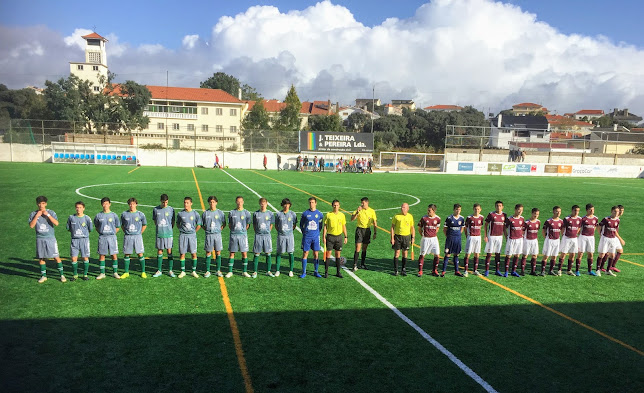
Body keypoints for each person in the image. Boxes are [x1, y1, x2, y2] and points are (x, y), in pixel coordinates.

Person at [29, 196, 65, 283]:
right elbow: (31, 225)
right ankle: (43, 276)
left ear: (46, 204)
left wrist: (47, 215)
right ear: (37, 204)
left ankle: (62, 275)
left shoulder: (51, 212)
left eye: (43, 203)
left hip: (50, 238)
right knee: (41, 258)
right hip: (40, 238)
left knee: (56, 257)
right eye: (39, 203)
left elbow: (56, 223)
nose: (41, 205)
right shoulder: (33, 214)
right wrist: (37, 216)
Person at [120, 198, 147, 279]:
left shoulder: (140, 214)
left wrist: (140, 233)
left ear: (136, 204)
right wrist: (126, 232)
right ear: (129, 205)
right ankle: (126, 272)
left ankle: (143, 272)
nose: (132, 206)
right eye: (130, 204)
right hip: (128, 236)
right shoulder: (124, 214)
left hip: (137, 236)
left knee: (140, 254)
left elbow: (144, 225)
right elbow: (122, 225)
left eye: (133, 204)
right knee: (127, 254)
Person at [94, 197, 121, 279]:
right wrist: (102, 233)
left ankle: (115, 272)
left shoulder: (114, 215)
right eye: (104, 203)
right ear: (102, 204)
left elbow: (118, 226)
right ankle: (102, 273)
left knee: (114, 255)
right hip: (102, 237)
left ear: (110, 204)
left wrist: (112, 233)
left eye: (107, 203)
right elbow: (96, 226)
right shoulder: (98, 215)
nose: (105, 205)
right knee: (102, 255)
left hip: (112, 237)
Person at [66, 201, 93, 281]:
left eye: (80, 207)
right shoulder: (71, 217)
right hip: (74, 241)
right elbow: (68, 228)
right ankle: (75, 275)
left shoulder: (87, 218)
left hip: (84, 240)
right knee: (74, 258)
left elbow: (90, 229)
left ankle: (85, 274)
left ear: (83, 208)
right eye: (77, 207)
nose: (78, 209)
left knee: (85, 257)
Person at [176, 196, 202, 278]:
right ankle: (182, 271)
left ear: (191, 203)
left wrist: (194, 231)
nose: (185, 204)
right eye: (184, 202)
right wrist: (181, 230)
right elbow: (177, 223)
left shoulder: (195, 213)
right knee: (182, 254)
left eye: (187, 203)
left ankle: (193, 271)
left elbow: (199, 224)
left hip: (192, 236)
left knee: (193, 253)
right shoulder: (180, 214)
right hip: (183, 236)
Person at [226, 196, 251, 278]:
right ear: (236, 202)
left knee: (244, 253)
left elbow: (248, 225)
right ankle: (230, 271)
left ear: (243, 202)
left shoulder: (247, 213)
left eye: (241, 202)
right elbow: (230, 225)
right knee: (232, 253)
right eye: (238, 202)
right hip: (234, 236)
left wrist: (242, 231)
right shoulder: (232, 212)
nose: (239, 203)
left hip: (243, 236)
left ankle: (244, 271)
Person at [350, 197, 377, 271]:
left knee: (364, 248)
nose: (362, 204)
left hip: (367, 230)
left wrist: (375, 232)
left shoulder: (372, 211)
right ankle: (354, 265)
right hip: (359, 230)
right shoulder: (358, 210)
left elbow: (375, 222)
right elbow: (352, 219)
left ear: (367, 202)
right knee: (358, 247)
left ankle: (362, 264)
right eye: (361, 203)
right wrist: (357, 212)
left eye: (363, 203)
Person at [152, 194, 175, 278]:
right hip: (159, 234)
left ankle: (170, 270)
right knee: (160, 251)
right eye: (163, 202)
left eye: (166, 202)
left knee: (169, 251)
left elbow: (173, 222)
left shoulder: (171, 209)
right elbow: (155, 221)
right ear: (160, 201)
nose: (164, 204)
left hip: (168, 234)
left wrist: (168, 229)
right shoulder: (155, 209)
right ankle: (159, 270)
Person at [202, 195, 226, 277]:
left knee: (218, 252)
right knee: (208, 252)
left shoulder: (220, 213)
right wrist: (207, 230)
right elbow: (202, 224)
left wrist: (219, 229)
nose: (212, 204)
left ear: (216, 203)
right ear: (209, 203)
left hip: (217, 235)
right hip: (209, 235)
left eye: (213, 202)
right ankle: (207, 271)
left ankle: (218, 270)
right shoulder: (205, 213)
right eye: (210, 202)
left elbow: (224, 223)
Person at [299, 197, 323, 278]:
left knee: (316, 254)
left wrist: (317, 233)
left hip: (316, 237)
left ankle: (316, 271)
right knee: (305, 253)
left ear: (316, 203)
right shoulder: (305, 213)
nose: (311, 204)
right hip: (307, 237)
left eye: (313, 202)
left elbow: (320, 225)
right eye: (310, 202)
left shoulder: (319, 214)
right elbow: (301, 225)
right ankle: (304, 272)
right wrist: (304, 232)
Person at [323, 199, 348, 278]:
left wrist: (346, 236)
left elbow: (344, 226)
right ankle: (326, 272)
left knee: (338, 255)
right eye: (334, 205)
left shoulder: (342, 215)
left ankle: (338, 272)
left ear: (339, 206)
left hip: (339, 237)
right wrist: (324, 236)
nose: (336, 207)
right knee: (328, 254)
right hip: (330, 237)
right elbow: (325, 227)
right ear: (332, 206)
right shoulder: (328, 215)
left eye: (337, 205)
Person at [596, 206, 623, 276]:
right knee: (602, 254)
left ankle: (608, 270)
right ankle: (597, 270)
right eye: (615, 211)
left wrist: (619, 238)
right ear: (611, 211)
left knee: (612, 255)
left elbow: (615, 230)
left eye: (617, 212)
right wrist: (600, 234)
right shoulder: (606, 219)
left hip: (613, 239)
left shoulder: (617, 220)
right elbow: (598, 226)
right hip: (605, 238)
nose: (616, 213)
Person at [274, 198, 297, 277]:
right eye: (285, 204)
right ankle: (277, 270)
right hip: (281, 236)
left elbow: (294, 225)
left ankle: (291, 270)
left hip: (290, 236)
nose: (286, 206)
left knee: (290, 252)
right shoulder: (278, 214)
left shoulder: (293, 214)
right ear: (282, 205)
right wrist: (281, 231)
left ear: (290, 205)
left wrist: (289, 231)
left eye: (287, 204)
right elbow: (276, 225)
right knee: (279, 252)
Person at [391, 203, 415, 276]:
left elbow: (412, 228)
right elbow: (392, 227)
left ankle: (403, 269)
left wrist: (413, 237)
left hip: (406, 237)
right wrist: (392, 238)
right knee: (397, 253)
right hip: (397, 237)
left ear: (408, 208)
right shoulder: (396, 216)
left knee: (405, 253)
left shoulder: (410, 216)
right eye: (402, 207)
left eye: (404, 207)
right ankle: (396, 270)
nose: (402, 208)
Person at [484, 201, 507, 277]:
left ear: (502, 207)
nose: (498, 207)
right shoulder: (491, 214)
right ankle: (486, 270)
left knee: (498, 253)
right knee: (489, 253)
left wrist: (506, 237)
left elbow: (504, 228)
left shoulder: (504, 215)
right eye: (497, 206)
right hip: (491, 236)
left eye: (500, 206)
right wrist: (485, 235)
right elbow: (485, 225)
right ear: (495, 206)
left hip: (500, 237)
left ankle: (497, 270)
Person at [252, 198, 274, 278]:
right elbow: (254, 224)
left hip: (267, 236)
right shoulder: (256, 214)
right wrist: (257, 232)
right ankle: (255, 271)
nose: (263, 205)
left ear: (267, 204)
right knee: (257, 253)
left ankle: (268, 271)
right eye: (261, 203)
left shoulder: (270, 213)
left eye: (264, 203)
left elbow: (271, 224)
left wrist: (268, 231)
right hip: (258, 235)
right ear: (259, 204)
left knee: (268, 253)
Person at [540, 206, 563, 276]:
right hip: (549, 240)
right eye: (557, 211)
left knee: (554, 256)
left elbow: (562, 231)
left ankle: (551, 270)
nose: (558, 213)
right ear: (553, 212)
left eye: (560, 211)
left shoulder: (561, 221)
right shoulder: (549, 221)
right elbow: (543, 231)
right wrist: (546, 238)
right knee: (546, 256)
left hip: (557, 240)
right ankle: (543, 271)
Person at [443, 204, 465, 277]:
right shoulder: (449, 218)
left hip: (457, 239)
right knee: (447, 254)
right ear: (454, 210)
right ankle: (443, 271)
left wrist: (458, 234)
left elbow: (462, 228)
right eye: (456, 209)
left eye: (459, 209)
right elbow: (444, 229)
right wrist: (449, 236)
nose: (458, 211)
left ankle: (457, 271)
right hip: (450, 239)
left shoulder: (461, 218)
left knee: (456, 254)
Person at [559, 205, 582, 276]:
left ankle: (569, 270)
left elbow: (579, 228)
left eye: (578, 211)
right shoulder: (567, 219)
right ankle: (559, 270)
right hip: (566, 238)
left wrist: (575, 233)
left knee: (573, 254)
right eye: (575, 210)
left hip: (574, 238)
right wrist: (564, 235)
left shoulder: (579, 219)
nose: (576, 212)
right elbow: (562, 229)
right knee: (564, 254)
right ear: (572, 210)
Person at [416, 204, 439, 276]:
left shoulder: (438, 219)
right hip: (425, 239)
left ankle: (434, 270)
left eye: (429, 211)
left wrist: (433, 233)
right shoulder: (424, 218)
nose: (428, 212)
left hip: (434, 239)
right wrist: (423, 235)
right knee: (422, 254)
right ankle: (420, 271)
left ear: (434, 211)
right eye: (428, 210)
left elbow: (437, 227)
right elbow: (419, 228)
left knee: (437, 254)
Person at [503, 204, 525, 277]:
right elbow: (504, 229)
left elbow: (522, 228)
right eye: (519, 210)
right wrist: (506, 237)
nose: (520, 211)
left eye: (521, 210)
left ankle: (513, 271)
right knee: (509, 255)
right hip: (511, 239)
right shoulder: (510, 219)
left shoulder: (522, 219)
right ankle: (506, 271)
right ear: (515, 210)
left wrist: (522, 236)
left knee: (517, 255)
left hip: (519, 239)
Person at [577, 204, 599, 276]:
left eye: (593, 209)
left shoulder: (595, 218)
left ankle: (589, 270)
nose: (592, 211)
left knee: (590, 253)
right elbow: (579, 229)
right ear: (587, 210)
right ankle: (577, 270)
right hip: (583, 237)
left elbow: (595, 227)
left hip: (591, 238)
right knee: (580, 253)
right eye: (590, 209)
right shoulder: (582, 219)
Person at [464, 203, 484, 276]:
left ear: (480, 210)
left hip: (478, 237)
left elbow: (480, 226)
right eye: (475, 209)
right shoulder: (469, 218)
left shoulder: (481, 217)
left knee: (477, 253)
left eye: (478, 209)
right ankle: (465, 271)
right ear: (473, 209)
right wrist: (467, 236)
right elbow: (465, 228)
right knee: (468, 253)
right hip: (471, 237)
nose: (477, 210)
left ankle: (475, 270)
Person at [522, 208, 541, 276]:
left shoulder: (538, 222)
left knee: (534, 255)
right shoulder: (527, 222)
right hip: (527, 240)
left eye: (537, 214)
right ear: (532, 213)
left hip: (534, 240)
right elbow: (523, 232)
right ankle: (522, 270)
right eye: (535, 214)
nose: (536, 215)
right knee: (525, 255)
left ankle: (533, 271)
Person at [611, 205, 625, 272]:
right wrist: (620, 239)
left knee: (620, 251)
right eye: (621, 210)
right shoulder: (614, 218)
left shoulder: (617, 218)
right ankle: (602, 267)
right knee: (609, 253)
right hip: (612, 237)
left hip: (615, 237)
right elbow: (614, 230)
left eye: (622, 211)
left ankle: (612, 266)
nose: (621, 212)